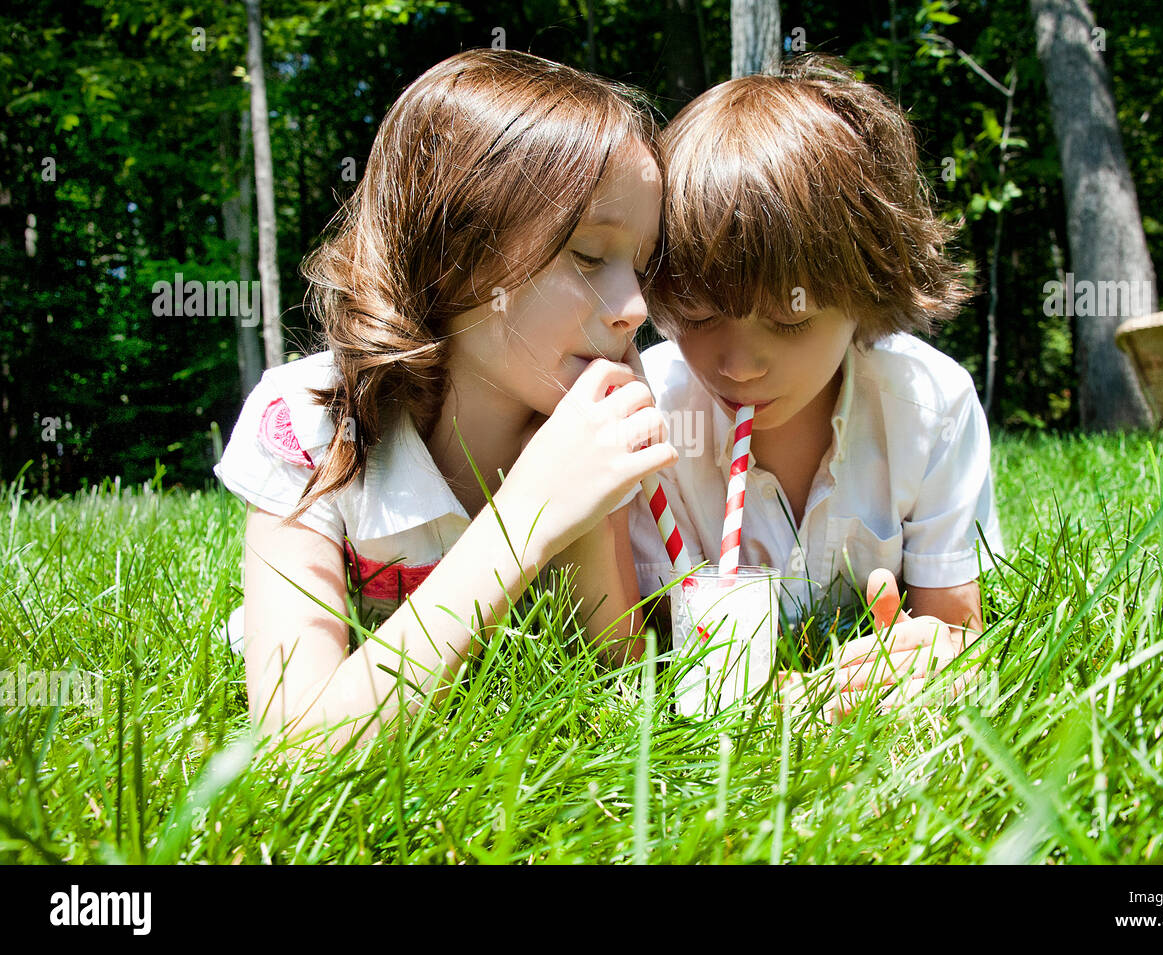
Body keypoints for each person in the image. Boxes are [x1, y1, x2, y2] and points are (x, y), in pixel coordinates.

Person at [214, 49, 674, 754]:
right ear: (452, 253)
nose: (635, 306)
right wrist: (526, 516)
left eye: (640, 265)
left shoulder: (586, 424)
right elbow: (294, 745)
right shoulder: (309, 424)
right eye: (587, 256)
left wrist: (588, 512)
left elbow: (620, 693)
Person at [629, 54, 1007, 718]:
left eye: (791, 319)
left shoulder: (930, 406)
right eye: (697, 315)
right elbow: (645, 654)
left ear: (866, 294)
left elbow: (957, 630)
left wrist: (933, 655)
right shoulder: (650, 418)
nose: (739, 365)